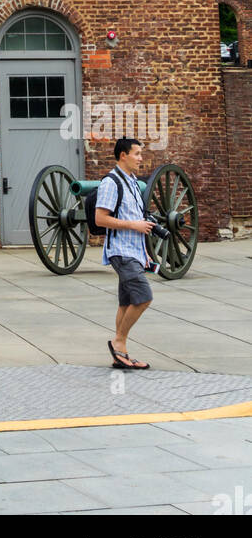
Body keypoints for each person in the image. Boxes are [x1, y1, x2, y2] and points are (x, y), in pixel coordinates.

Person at [95, 136, 156, 371]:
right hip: (121, 252)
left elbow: (137, 217)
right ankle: (117, 342)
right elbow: (100, 218)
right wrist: (134, 226)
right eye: (137, 154)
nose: (141, 158)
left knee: (126, 302)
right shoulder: (111, 183)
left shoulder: (131, 181)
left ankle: (120, 354)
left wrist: (145, 253)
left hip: (134, 251)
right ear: (123, 155)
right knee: (144, 297)